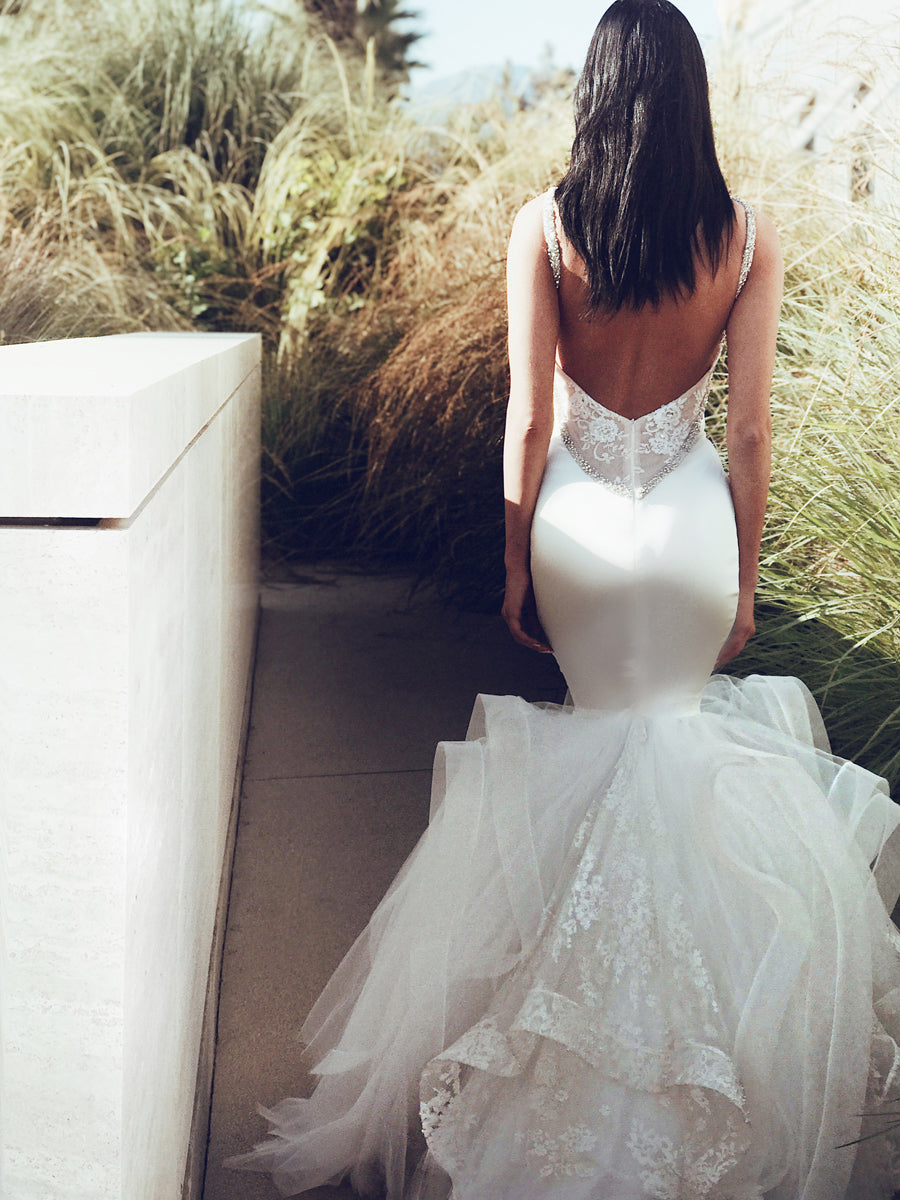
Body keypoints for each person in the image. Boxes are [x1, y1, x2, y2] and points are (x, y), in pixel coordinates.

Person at [227, 2, 900, 1197]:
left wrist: (511, 557)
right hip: (690, 523)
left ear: (595, 93)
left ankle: (558, 1050)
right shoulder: (747, 235)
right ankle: (702, 1067)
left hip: (582, 523)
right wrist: (742, 580)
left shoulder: (544, 225)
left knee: (598, 753)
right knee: (674, 748)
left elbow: (531, 423)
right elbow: (745, 430)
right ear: (690, 98)